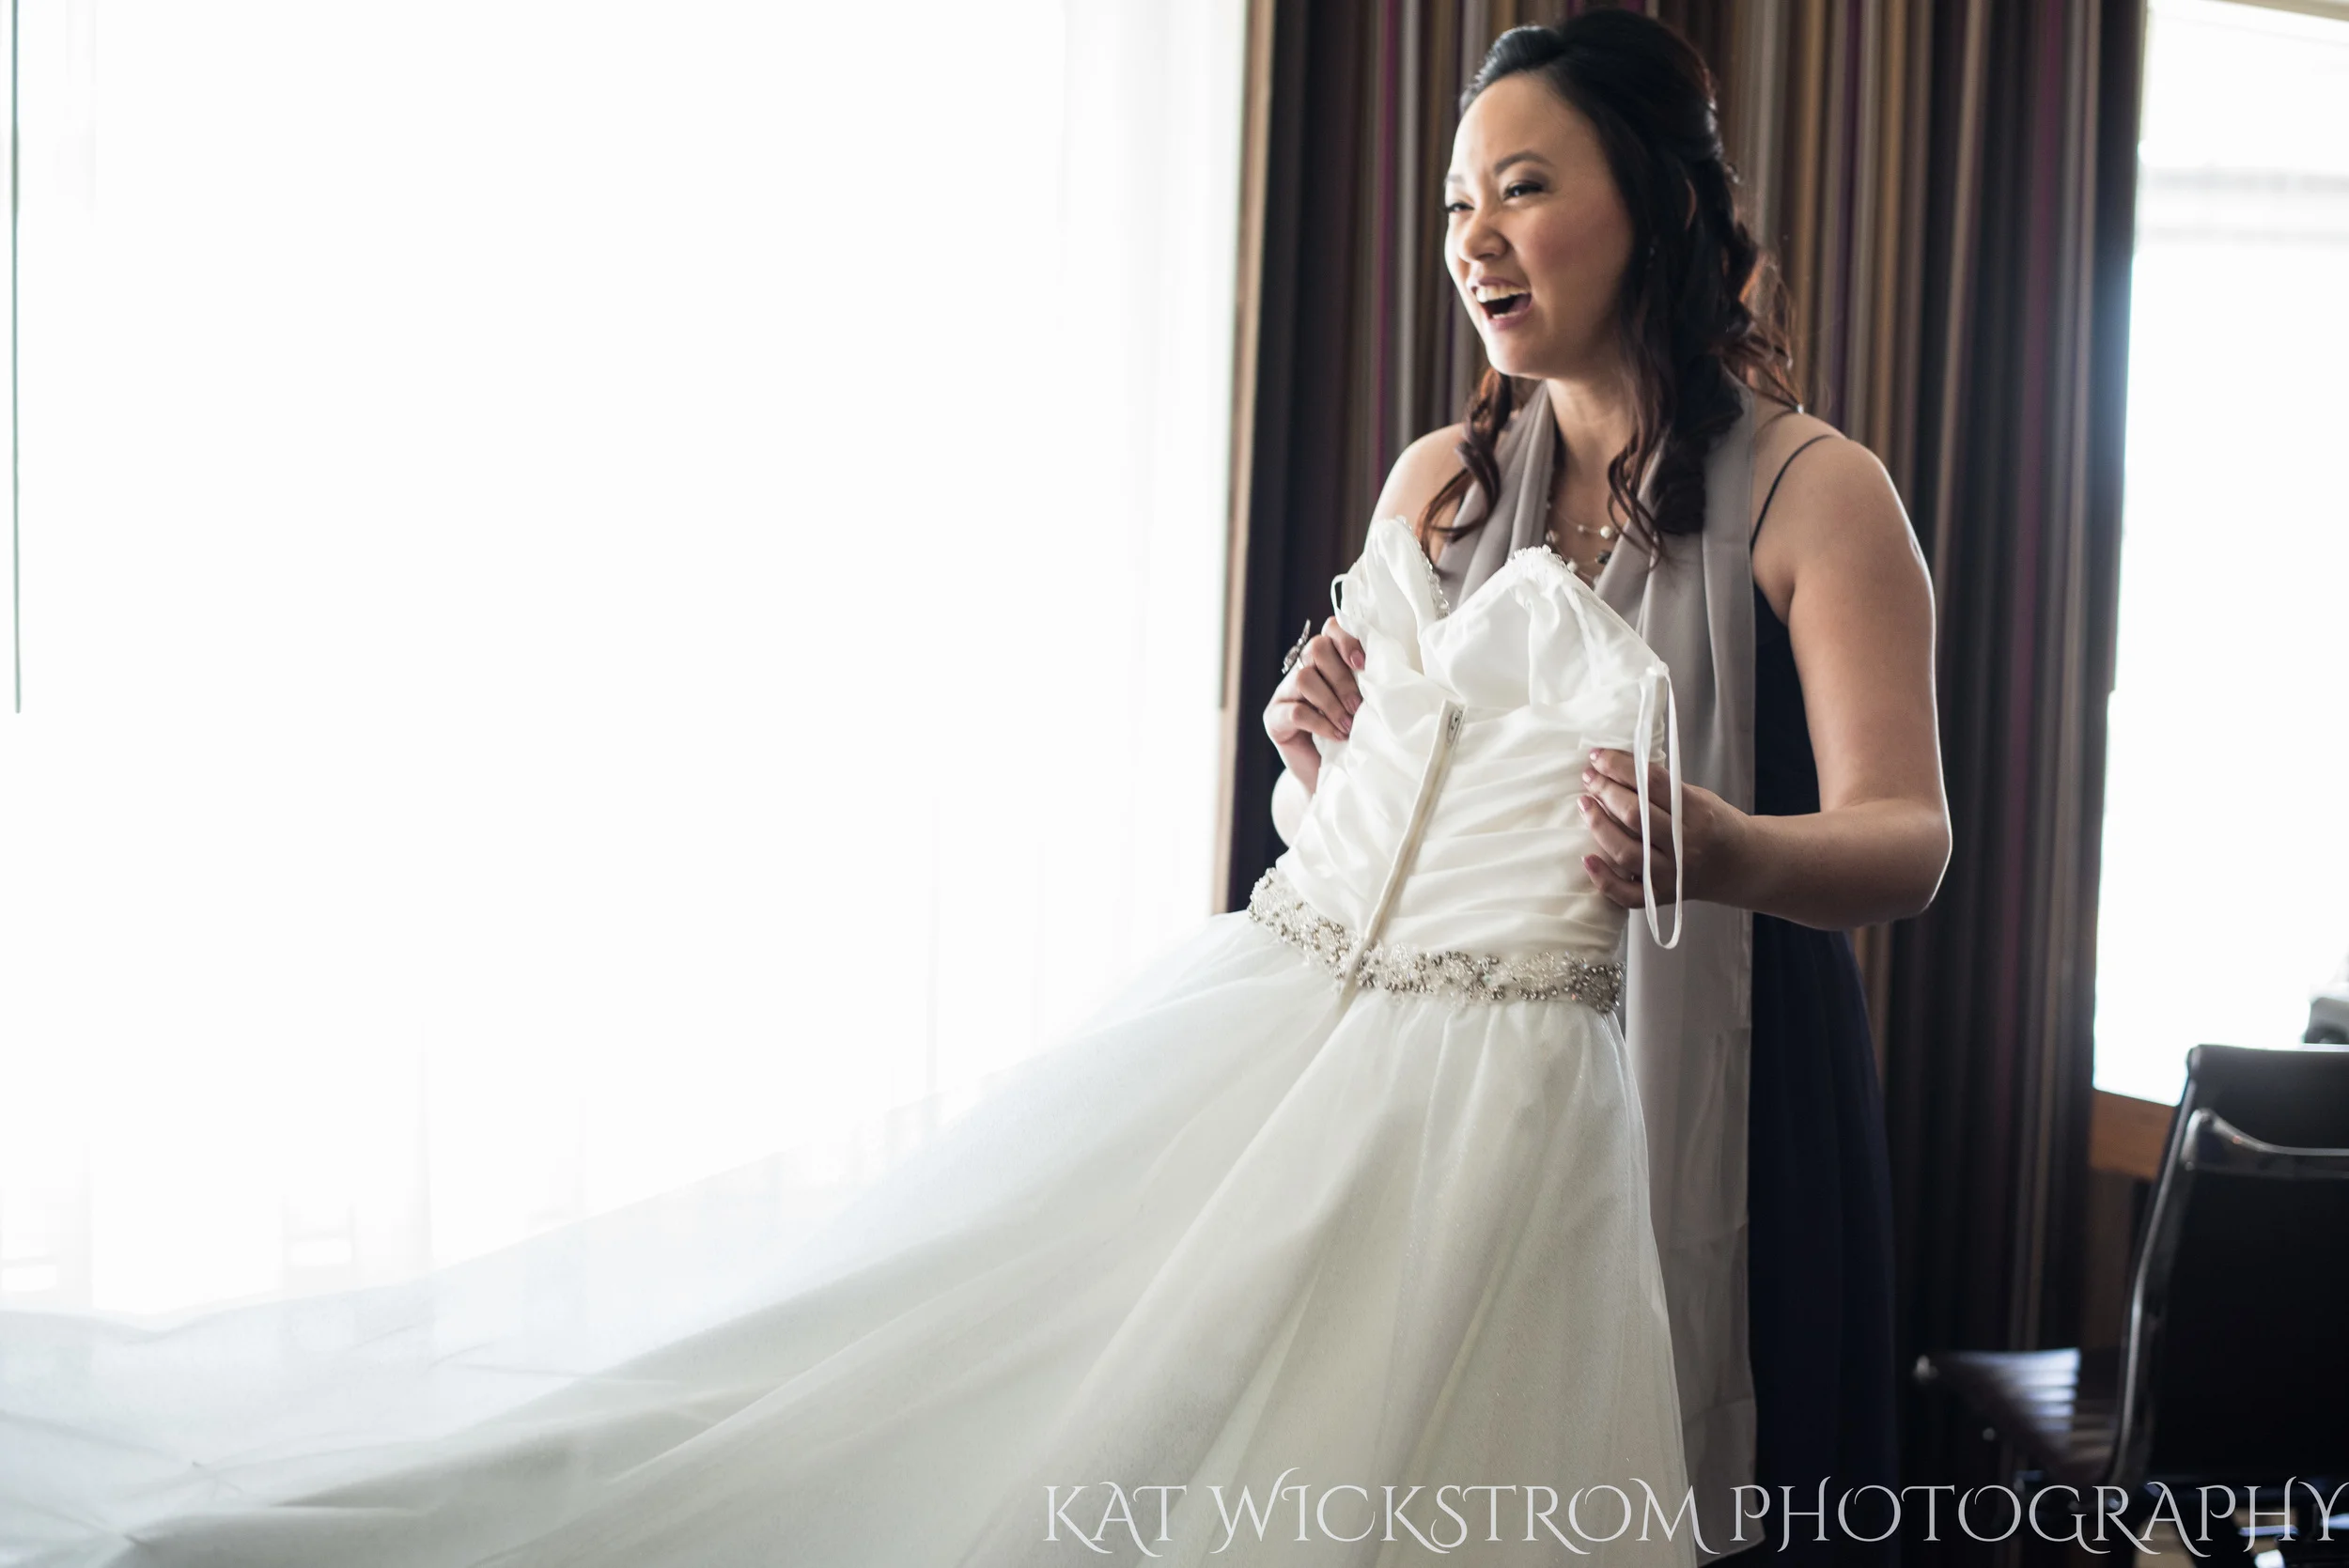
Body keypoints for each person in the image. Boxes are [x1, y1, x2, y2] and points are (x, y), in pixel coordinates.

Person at [1265, 14, 1948, 1568]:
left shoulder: (1814, 493)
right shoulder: (1437, 486)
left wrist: (1721, 849)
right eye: (1455, 204)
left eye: (1520, 189)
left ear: (1657, 206)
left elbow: (1909, 842)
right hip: (1448, 1106)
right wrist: (1322, 749)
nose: (1475, 241)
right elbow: (1379, 830)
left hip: (1738, 1093)